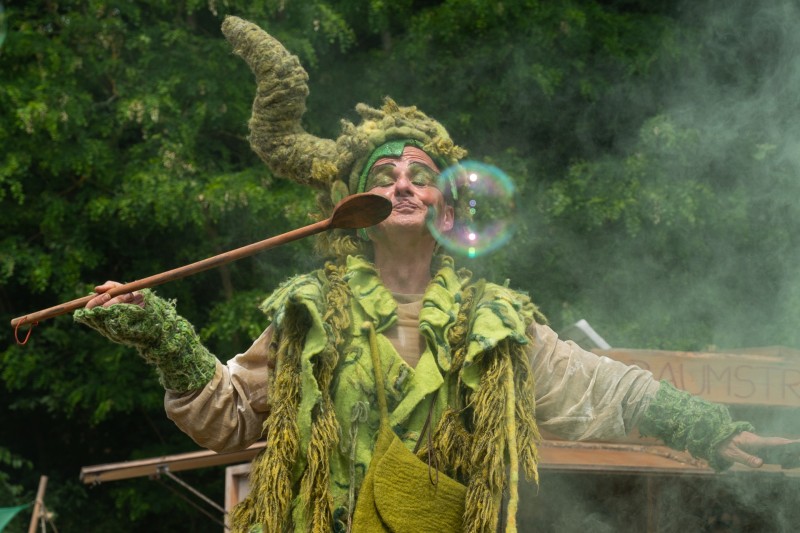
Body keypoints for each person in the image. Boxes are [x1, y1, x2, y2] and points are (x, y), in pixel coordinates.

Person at [73, 16, 798, 533]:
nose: (403, 183)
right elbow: (228, 417)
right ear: (351, 207)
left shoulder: (496, 323)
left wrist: (707, 428)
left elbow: (602, 389)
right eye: (383, 175)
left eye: (421, 175)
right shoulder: (309, 315)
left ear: (447, 204)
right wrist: (160, 335)